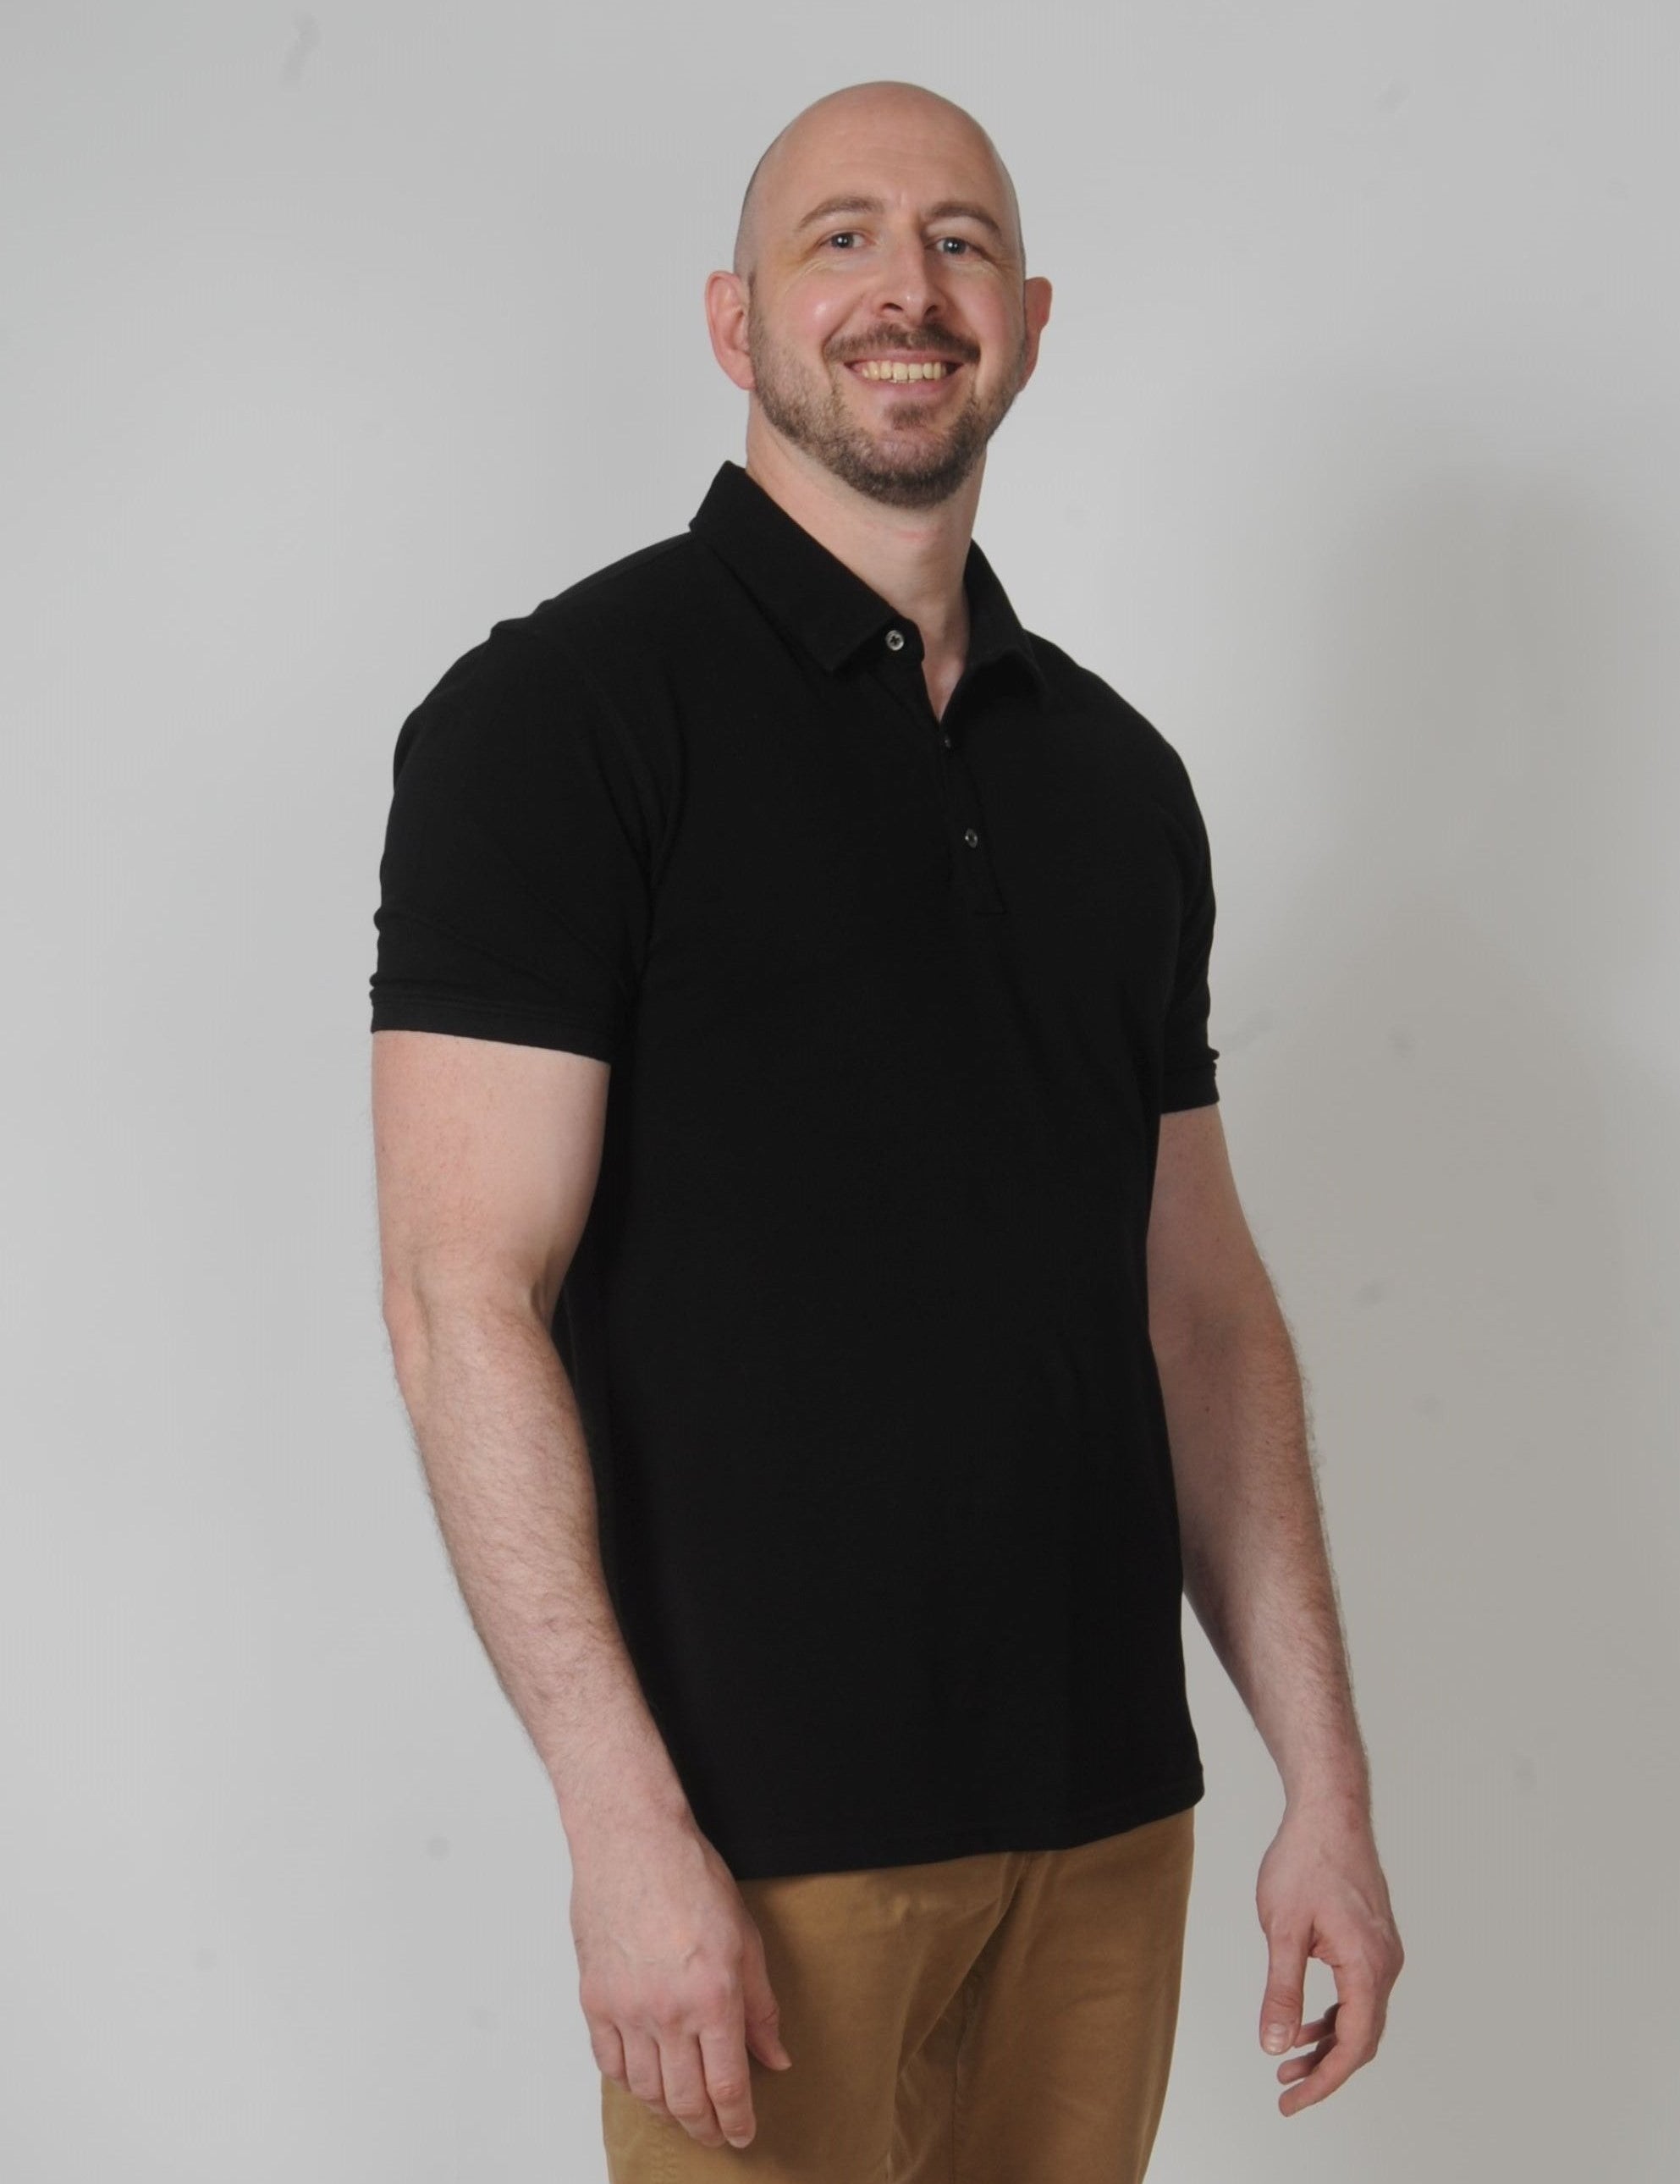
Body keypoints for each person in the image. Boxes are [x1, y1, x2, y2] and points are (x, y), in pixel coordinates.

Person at [368, 76, 1403, 2181]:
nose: (903, 286)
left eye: (952, 240)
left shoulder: (1119, 785)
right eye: (838, 237)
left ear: (1024, 316)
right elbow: (461, 1288)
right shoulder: (557, 723)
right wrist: (621, 1825)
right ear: (737, 325)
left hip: (1113, 1828)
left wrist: (1326, 1784)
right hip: (760, 1864)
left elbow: (1197, 1315)